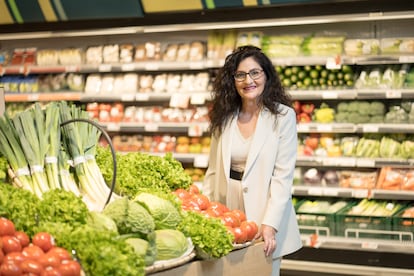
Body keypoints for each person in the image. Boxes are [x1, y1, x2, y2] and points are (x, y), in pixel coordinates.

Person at [202, 45, 302, 275]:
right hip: (226, 210)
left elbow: (282, 177)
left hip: (264, 209)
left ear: (266, 75)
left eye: (255, 72)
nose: (249, 80)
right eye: (240, 74)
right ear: (233, 80)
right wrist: (205, 213)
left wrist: (270, 224)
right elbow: (213, 171)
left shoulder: (283, 117)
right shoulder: (224, 116)